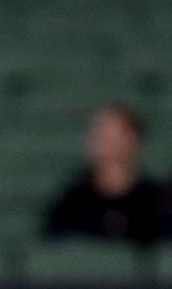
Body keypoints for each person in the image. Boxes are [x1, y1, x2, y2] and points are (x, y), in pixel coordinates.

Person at [43, 104, 171, 245]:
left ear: (138, 141)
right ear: (91, 143)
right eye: (104, 136)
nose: (112, 145)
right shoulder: (71, 203)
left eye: (120, 135)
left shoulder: (160, 201)